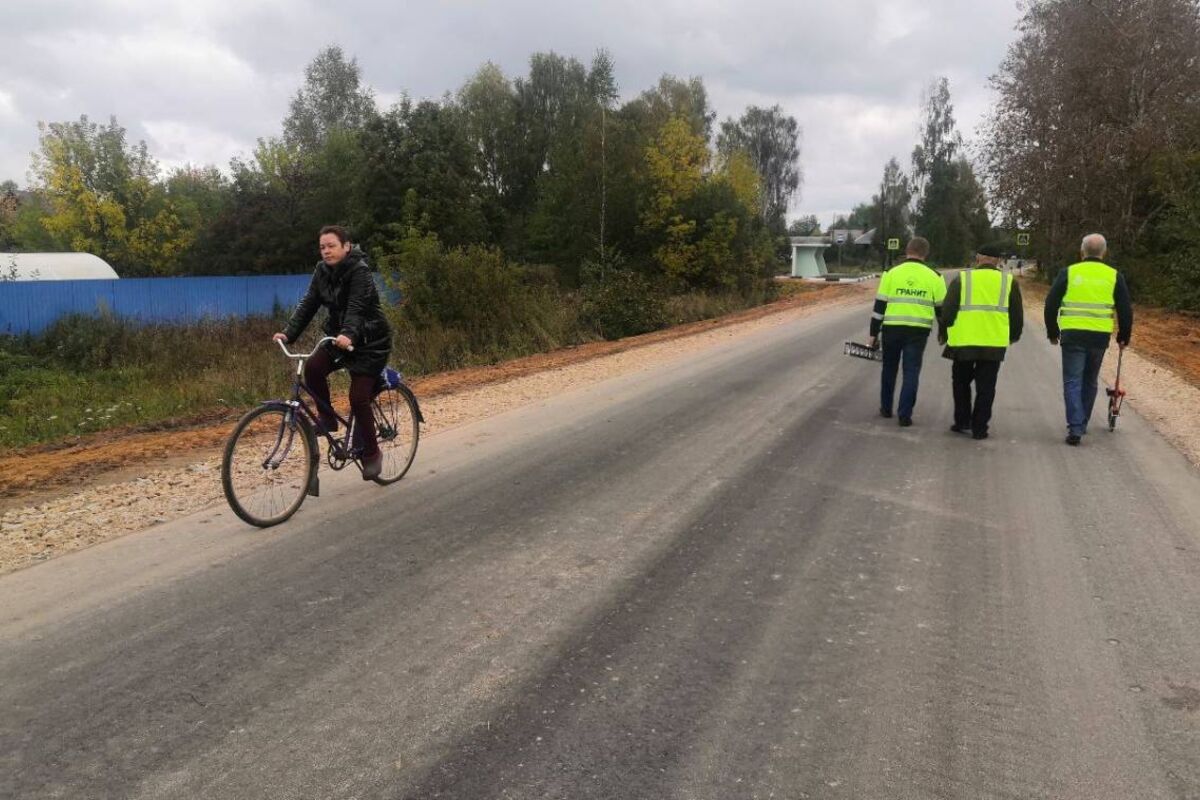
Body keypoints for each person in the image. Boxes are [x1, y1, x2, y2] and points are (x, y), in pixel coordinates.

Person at [273, 225, 392, 479]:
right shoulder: (321, 271)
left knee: (358, 397)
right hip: (339, 339)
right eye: (322, 247)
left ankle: (372, 454)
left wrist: (349, 332)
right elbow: (309, 302)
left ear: (346, 246)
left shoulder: (360, 271)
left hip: (370, 342)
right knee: (313, 368)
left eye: (331, 246)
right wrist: (289, 333)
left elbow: (357, 306)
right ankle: (327, 419)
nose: (326, 251)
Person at [1044, 233, 1133, 446]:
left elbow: (1051, 302)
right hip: (1099, 337)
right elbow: (1125, 309)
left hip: (1073, 335)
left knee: (1072, 380)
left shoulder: (1069, 272)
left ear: (1082, 252)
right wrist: (1124, 336)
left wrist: (1052, 331)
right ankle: (1082, 423)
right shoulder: (1114, 276)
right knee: (1090, 380)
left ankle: (1075, 427)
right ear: (1104, 252)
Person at [939, 243, 1024, 440]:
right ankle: (980, 428)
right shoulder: (1009, 282)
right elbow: (1017, 315)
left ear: (978, 258)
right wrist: (1014, 335)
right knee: (986, 387)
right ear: (998, 261)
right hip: (993, 344)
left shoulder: (962, 279)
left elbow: (948, 311)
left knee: (960, 383)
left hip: (963, 342)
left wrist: (944, 331)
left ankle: (962, 421)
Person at [869, 236, 947, 427]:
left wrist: (873, 334)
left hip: (891, 329)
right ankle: (905, 415)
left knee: (889, 368)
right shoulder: (935, 277)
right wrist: (944, 332)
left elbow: (879, 306)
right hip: (918, 331)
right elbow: (941, 310)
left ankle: (886, 408)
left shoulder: (891, 273)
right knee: (911, 371)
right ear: (925, 254)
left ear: (907, 251)